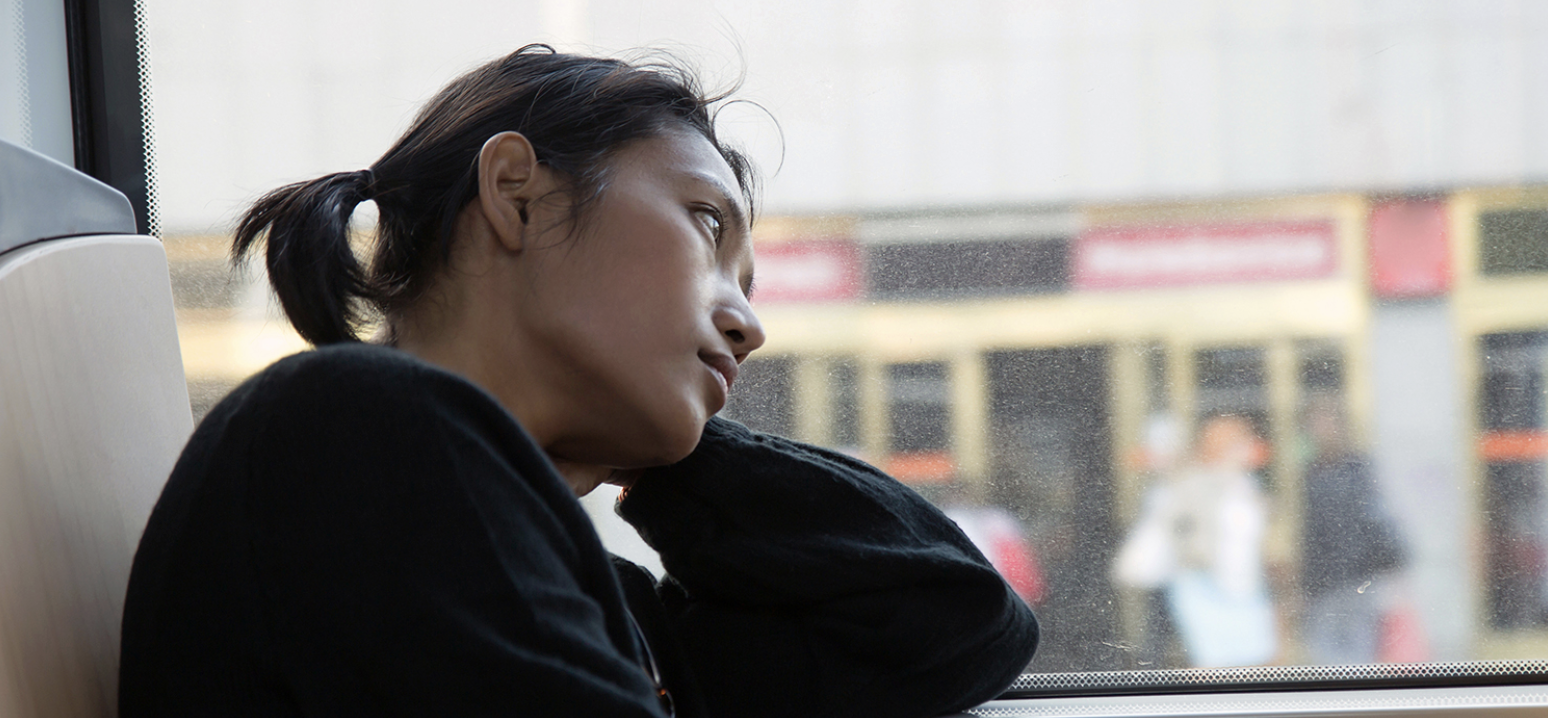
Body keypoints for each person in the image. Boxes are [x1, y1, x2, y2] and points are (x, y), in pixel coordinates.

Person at [117, 46, 1038, 718]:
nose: (750, 325)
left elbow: (956, 618)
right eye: (706, 227)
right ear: (518, 193)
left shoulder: (600, 603)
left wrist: (676, 447)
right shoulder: (349, 433)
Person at [1113, 414, 1276, 668]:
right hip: (1205, 583)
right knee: (1215, 663)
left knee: (1251, 662)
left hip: (1241, 588)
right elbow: (1177, 532)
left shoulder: (1244, 486)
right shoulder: (1195, 486)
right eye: (1238, 445)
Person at [1299, 394, 1407, 664]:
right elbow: (1312, 533)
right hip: (1324, 583)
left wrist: (1386, 563)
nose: (1319, 432)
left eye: (1324, 424)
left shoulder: (1357, 469)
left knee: (1357, 653)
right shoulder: (1312, 472)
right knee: (1326, 655)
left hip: (1357, 577)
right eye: (1313, 425)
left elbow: (1374, 519)